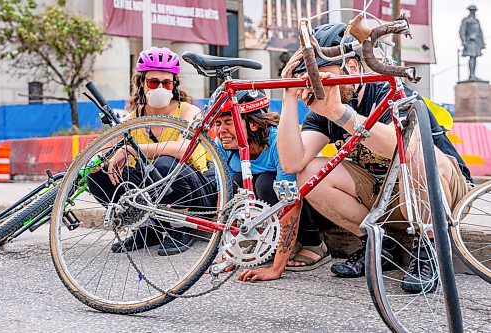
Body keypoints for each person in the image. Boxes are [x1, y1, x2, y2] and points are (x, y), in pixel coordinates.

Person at [239, 23, 473, 292]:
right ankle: (379, 246)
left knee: (418, 157)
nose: (316, 86)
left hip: (441, 191)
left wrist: (341, 113)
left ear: (351, 68)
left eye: (322, 76)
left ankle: (427, 249)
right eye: (309, 79)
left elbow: (403, 149)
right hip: (384, 193)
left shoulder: (388, 91)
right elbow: (292, 163)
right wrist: (289, 96)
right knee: (308, 174)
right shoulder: (324, 108)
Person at [87, 46, 216, 255]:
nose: (161, 88)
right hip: (159, 191)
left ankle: (180, 228)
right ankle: (149, 228)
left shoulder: (188, 111)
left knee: (164, 163)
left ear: (174, 85)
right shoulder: (132, 119)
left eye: (166, 83)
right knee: (98, 176)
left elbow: (185, 150)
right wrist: (94, 163)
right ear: (141, 84)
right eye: (154, 82)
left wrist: (133, 150)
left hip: (198, 192)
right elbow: (104, 150)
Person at [214, 90, 332, 271]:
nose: (221, 130)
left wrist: (276, 268)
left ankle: (313, 243)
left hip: (315, 205)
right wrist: (227, 253)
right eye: (217, 123)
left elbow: (291, 201)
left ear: (253, 125)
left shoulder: (277, 141)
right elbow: (223, 200)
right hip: (275, 208)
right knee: (235, 183)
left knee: (265, 183)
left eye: (229, 122)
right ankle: (266, 240)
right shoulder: (222, 144)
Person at [459, 5, 485, 81]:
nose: (473, 12)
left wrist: (482, 42)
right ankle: (471, 75)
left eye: (474, 11)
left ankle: (473, 74)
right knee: (472, 57)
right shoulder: (466, 21)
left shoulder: (476, 21)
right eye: (472, 10)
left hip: (476, 42)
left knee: (475, 57)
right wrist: (464, 41)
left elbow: (480, 32)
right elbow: (462, 31)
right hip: (470, 42)